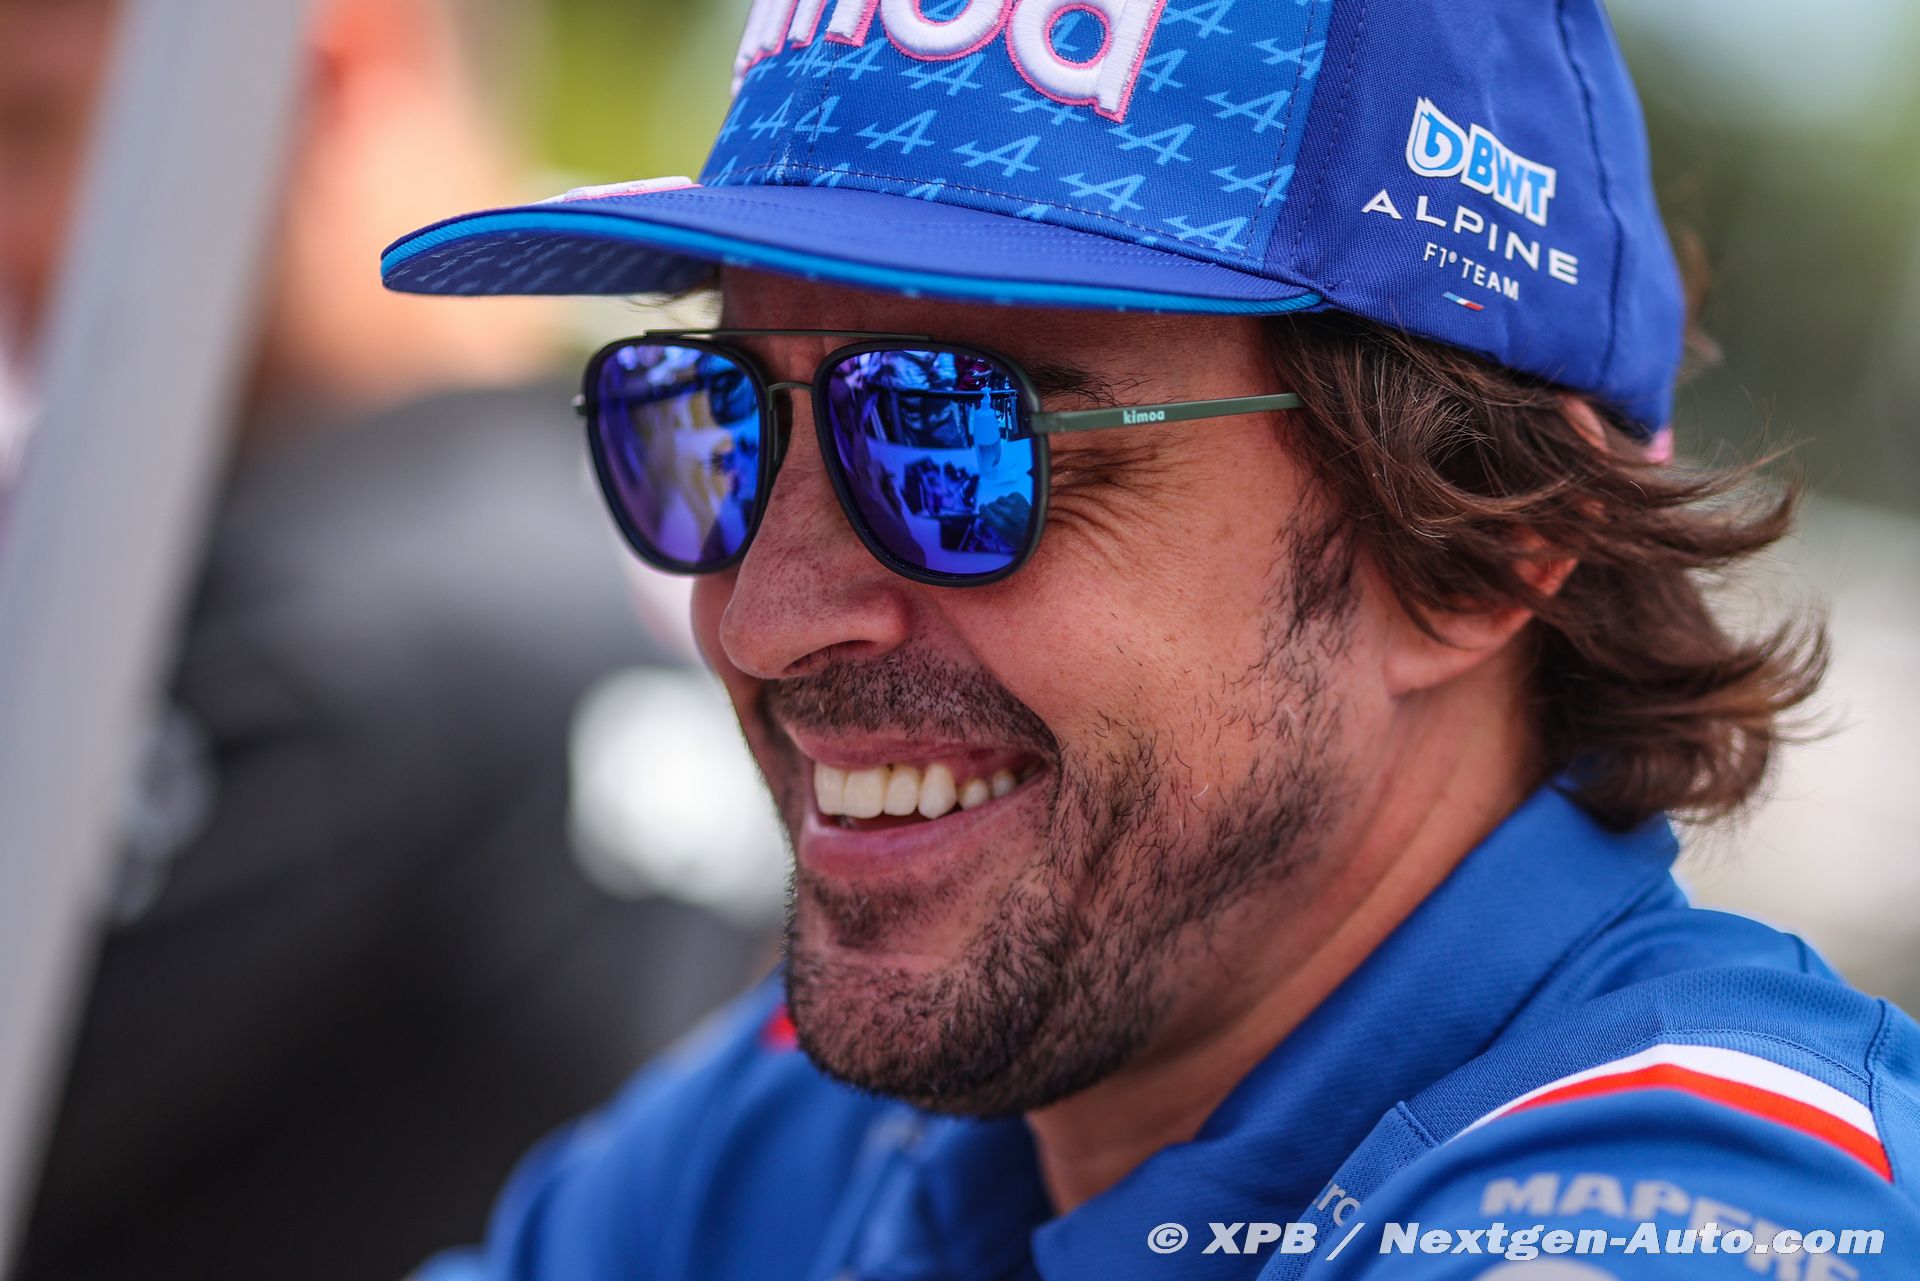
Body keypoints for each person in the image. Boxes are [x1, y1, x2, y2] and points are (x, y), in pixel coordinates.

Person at [384, 1, 1920, 1276]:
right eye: (713, 417)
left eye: (954, 436)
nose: (761, 617)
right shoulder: (797, 1135)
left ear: (1478, 538)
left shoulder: (1693, 1210)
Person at [0, 1, 768, 1277]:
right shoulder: (633, 504)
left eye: (32, 129)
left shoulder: (323, 623)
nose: (8, 231)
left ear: (322, 62)